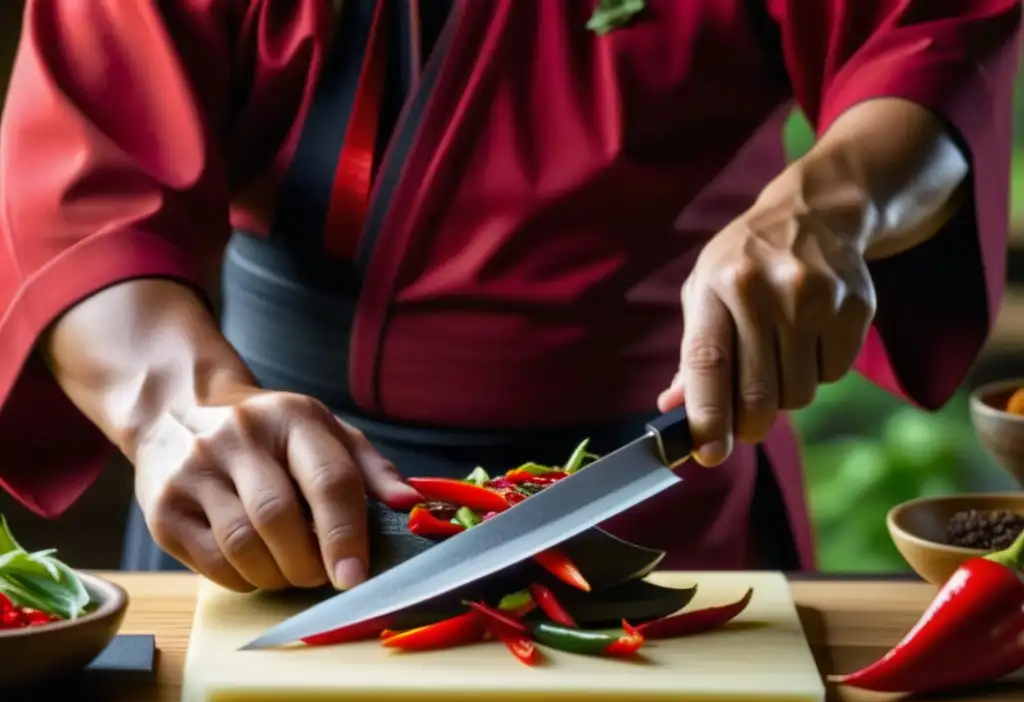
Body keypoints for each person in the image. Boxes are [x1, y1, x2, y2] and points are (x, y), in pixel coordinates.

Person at [0, 0, 1018, 593]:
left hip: (653, 484)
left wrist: (826, 206)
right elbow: (85, 166)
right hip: (268, 501)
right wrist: (180, 409)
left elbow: (927, 42)